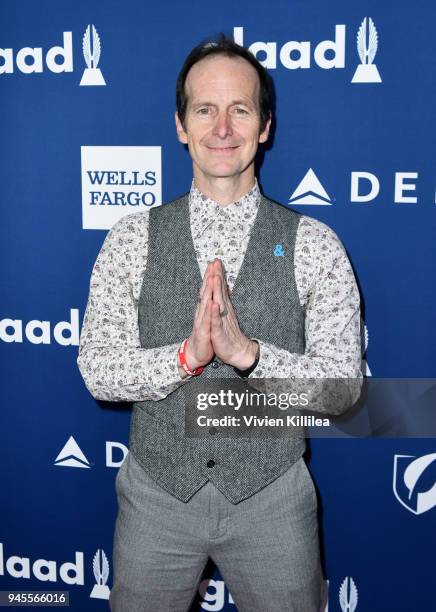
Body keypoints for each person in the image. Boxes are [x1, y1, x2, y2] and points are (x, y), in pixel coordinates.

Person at [77, 34, 362, 612]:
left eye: (241, 109)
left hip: (274, 497)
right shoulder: (131, 239)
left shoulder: (316, 245)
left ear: (265, 126)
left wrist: (250, 355)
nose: (223, 127)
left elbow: (342, 388)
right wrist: (185, 356)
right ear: (181, 125)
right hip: (156, 496)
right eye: (205, 109)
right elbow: (97, 370)